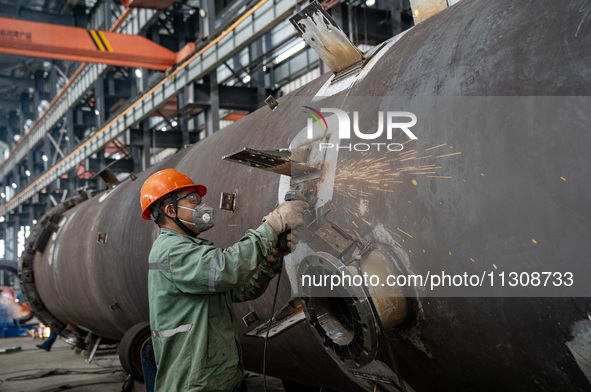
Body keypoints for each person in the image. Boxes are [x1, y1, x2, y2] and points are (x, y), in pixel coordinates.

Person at [140, 168, 308, 392]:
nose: (201, 207)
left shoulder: (190, 250)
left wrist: (272, 256)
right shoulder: (171, 251)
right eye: (193, 201)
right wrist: (272, 225)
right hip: (195, 385)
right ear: (170, 210)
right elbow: (227, 269)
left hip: (219, 380)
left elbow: (242, 290)